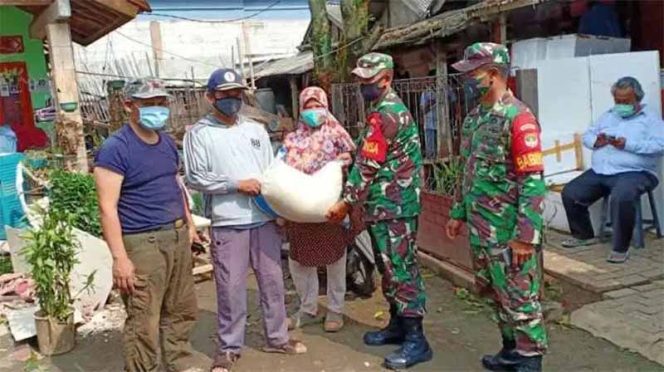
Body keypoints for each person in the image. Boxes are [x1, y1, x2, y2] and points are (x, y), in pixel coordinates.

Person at [184, 68, 306, 372]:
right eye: (225, 95)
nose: (232, 100)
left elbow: (270, 174)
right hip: (228, 220)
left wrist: (279, 209)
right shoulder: (198, 134)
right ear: (210, 97)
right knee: (231, 287)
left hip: (263, 217)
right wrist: (235, 185)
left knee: (272, 282)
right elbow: (196, 177)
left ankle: (277, 338)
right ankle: (228, 347)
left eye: (237, 94)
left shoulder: (255, 130)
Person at [446, 43, 548, 372]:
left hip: (508, 232)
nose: (465, 80)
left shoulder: (520, 118)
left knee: (520, 299)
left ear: (492, 75)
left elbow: (532, 181)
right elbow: (468, 170)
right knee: (493, 293)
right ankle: (510, 352)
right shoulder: (475, 119)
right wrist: (458, 212)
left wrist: (525, 236)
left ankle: (530, 360)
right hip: (481, 230)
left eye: (471, 73)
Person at [327, 53, 431, 370]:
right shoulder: (383, 110)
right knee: (388, 268)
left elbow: (368, 165)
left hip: (393, 206)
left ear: (386, 79)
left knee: (400, 269)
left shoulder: (385, 114)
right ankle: (399, 325)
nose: (362, 86)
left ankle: (417, 340)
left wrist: (346, 201)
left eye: (368, 81)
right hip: (386, 205)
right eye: (360, 80)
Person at [94, 79, 199, 372]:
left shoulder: (165, 142)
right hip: (143, 243)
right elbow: (107, 207)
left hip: (176, 235)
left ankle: (180, 363)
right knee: (144, 318)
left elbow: (176, 186)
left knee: (181, 309)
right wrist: (120, 259)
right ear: (130, 106)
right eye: (149, 103)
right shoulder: (116, 148)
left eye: (161, 102)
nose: (157, 109)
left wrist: (188, 225)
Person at [561, 77, 664, 263]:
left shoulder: (651, 119)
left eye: (626, 101)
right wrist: (596, 141)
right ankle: (584, 236)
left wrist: (628, 144)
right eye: (618, 101)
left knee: (622, 197)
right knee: (571, 193)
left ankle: (620, 248)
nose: (621, 105)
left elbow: (660, 145)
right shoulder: (608, 115)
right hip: (603, 170)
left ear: (637, 99)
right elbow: (588, 135)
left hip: (637, 172)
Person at [281, 86, 356, 333]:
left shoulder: (337, 135)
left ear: (326, 107)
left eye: (318, 106)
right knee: (300, 261)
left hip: (330, 209)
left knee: (335, 259)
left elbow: (353, 168)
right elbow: (281, 169)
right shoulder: (292, 139)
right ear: (301, 110)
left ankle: (335, 310)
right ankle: (308, 307)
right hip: (300, 210)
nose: (314, 111)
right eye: (308, 107)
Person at [420, 87, 437, 159]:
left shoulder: (444, 90)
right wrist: (431, 102)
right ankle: (430, 156)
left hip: (441, 123)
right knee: (430, 145)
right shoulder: (426, 93)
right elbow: (423, 110)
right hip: (429, 122)